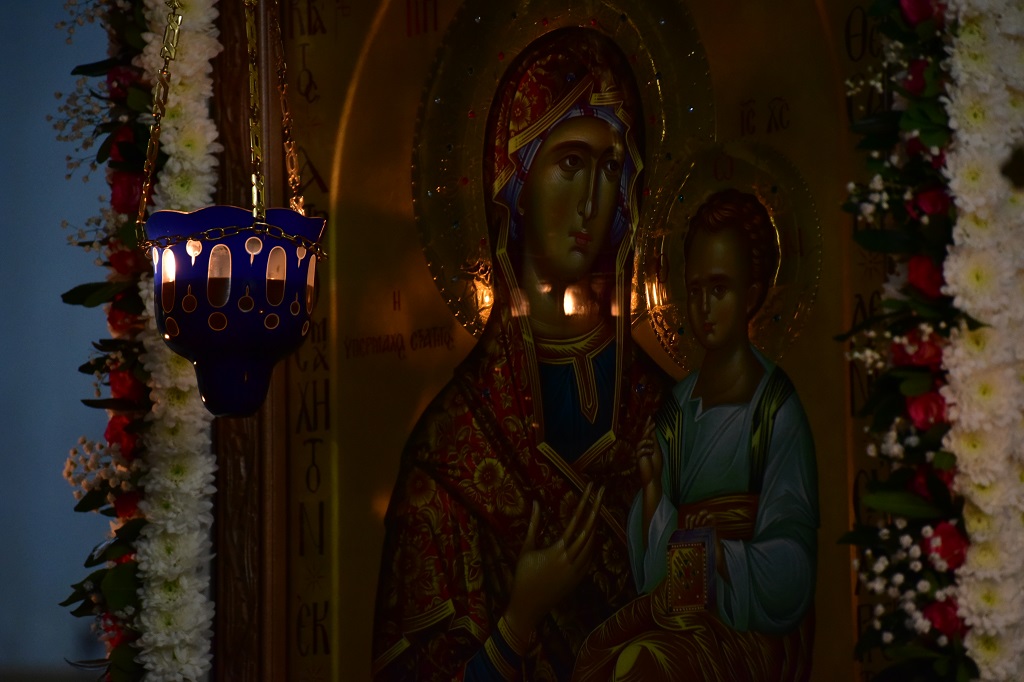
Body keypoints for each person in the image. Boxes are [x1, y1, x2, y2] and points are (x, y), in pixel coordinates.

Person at [372, 29, 668, 680]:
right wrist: (518, 623)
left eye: (610, 168)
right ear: (515, 182)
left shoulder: (669, 414)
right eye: (570, 163)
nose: (591, 200)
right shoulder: (454, 447)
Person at [572, 189, 819, 681]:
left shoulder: (775, 409)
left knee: (648, 665)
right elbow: (653, 567)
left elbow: (795, 564)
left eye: (720, 289)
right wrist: (652, 491)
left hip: (746, 623)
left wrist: (722, 555)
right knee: (599, 661)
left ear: (752, 294)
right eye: (695, 289)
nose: (703, 307)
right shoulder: (678, 409)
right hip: (679, 607)